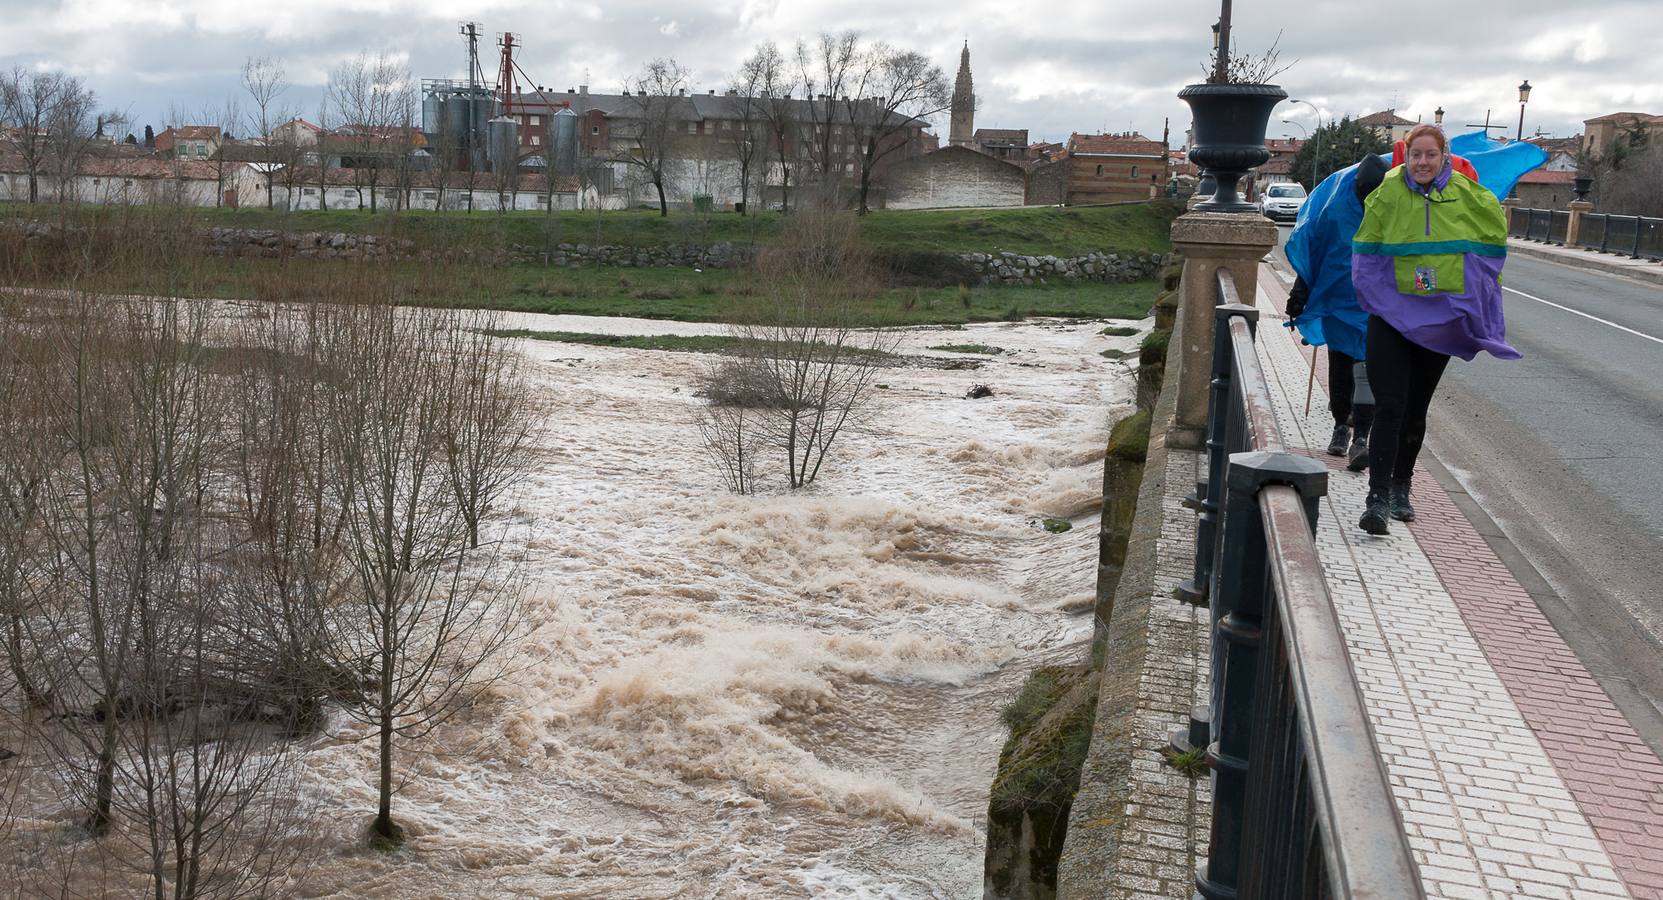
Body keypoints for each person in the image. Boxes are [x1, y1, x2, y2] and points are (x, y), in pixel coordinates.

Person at [1350, 123, 1521, 535]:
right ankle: (1377, 498)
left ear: (1443, 156)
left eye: (1430, 154)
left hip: (1438, 321)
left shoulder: (1469, 196)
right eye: (1415, 155)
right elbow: (1366, 251)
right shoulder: (1387, 193)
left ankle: (1401, 485)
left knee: (1414, 409)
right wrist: (1377, 297)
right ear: (1406, 157)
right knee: (1389, 404)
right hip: (1392, 317)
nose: (1422, 162)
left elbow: (1490, 252)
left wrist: (1468, 307)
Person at [1284, 153, 1390, 471]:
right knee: (1341, 366)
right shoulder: (1333, 208)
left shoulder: (1391, 208)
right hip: (1337, 300)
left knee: (1367, 371)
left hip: (1373, 306)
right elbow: (1314, 249)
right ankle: (1341, 426)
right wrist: (1299, 293)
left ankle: (1361, 439)